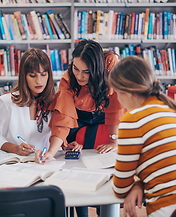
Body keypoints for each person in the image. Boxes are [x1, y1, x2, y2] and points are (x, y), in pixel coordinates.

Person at [109, 56, 176, 217]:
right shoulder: (173, 111)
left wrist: (134, 185)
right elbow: (164, 166)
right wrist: (140, 184)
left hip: (171, 210)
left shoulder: (133, 118)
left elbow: (120, 188)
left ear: (126, 93)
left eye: (116, 94)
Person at [36, 39, 125, 217]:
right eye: (76, 68)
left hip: (103, 112)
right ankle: (80, 211)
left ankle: (103, 208)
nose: (80, 76)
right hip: (78, 116)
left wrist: (113, 140)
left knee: (103, 163)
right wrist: (52, 151)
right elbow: (63, 117)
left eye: (86, 72)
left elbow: (116, 103)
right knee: (73, 159)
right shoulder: (68, 80)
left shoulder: (110, 65)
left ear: (98, 67)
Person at [0, 48, 55, 154]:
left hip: (44, 160)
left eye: (43, 74)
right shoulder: (7, 102)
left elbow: (55, 135)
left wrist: (64, 144)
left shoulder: (53, 101)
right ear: (24, 76)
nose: (39, 81)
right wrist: (15, 148)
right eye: (32, 75)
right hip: (15, 162)